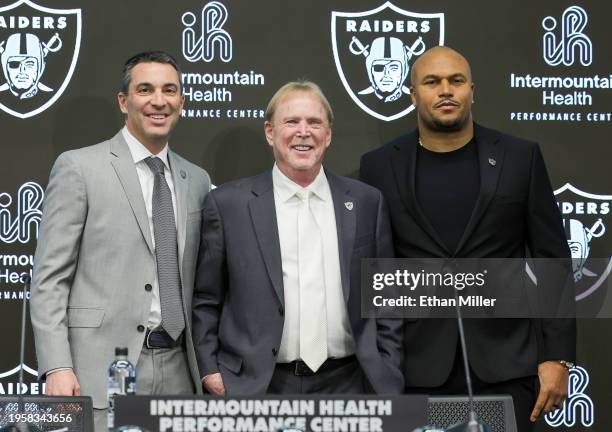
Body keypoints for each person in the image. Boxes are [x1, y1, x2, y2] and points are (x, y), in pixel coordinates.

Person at [360, 46, 576, 430]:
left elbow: (552, 259)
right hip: (415, 368)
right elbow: (374, 271)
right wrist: (377, 362)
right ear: (413, 95)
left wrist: (557, 357)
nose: (446, 90)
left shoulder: (519, 158)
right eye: (432, 82)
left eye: (456, 81)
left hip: (508, 365)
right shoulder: (378, 166)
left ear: (472, 90)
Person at [30, 51, 211, 430]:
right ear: (124, 101)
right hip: (101, 369)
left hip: (180, 369)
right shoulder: (79, 168)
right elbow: (49, 279)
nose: (158, 101)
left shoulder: (196, 180)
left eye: (169, 90)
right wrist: (57, 366)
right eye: (145, 89)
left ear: (181, 101)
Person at [192, 80, 403, 396]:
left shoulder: (365, 202)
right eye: (291, 121)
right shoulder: (228, 205)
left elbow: (386, 297)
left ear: (328, 135)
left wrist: (387, 365)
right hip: (258, 385)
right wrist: (210, 371)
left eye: (314, 123)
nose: (303, 132)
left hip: (351, 383)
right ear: (269, 132)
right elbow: (207, 298)